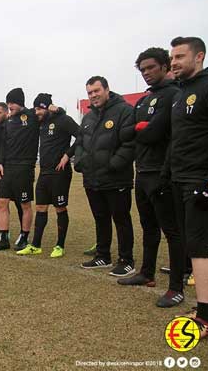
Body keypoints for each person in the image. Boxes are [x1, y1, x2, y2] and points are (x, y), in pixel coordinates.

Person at [116, 47, 186, 308]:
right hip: (142, 171)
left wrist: (141, 130)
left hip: (162, 172)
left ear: (165, 66)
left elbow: (155, 132)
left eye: (151, 68)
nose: (146, 73)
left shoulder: (173, 94)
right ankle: (146, 273)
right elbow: (127, 133)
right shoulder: (145, 99)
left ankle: (176, 287)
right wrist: (139, 129)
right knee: (148, 227)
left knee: (172, 231)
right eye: (142, 69)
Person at [167, 36, 208, 337]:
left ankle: (205, 321)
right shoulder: (180, 93)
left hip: (201, 181)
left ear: (199, 56)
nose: (174, 62)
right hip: (180, 180)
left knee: (199, 247)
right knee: (192, 245)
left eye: (180, 57)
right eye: (172, 57)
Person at [74, 76, 136, 277]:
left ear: (107, 89)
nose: (93, 96)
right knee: (100, 218)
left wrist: (113, 165)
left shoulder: (124, 111)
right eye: (89, 93)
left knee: (121, 219)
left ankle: (127, 260)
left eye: (96, 91)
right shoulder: (88, 117)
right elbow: (81, 143)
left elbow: (129, 144)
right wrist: (81, 162)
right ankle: (103, 255)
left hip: (116, 178)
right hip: (92, 178)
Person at [16, 94, 80, 257]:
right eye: (35, 108)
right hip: (44, 172)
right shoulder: (41, 122)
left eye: (39, 109)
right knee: (40, 208)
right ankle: (36, 245)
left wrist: (68, 155)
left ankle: (60, 245)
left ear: (47, 107)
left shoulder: (63, 119)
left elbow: (81, 135)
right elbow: (26, 113)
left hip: (60, 172)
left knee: (60, 207)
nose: (36, 112)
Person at [0, 89, 41, 252]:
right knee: (1, 202)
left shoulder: (32, 116)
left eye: (12, 103)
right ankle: (4, 237)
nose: (10, 106)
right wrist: (0, 162)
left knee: (25, 204)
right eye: (8, 103)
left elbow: (48, 111)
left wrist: (57, 108)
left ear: (19, 102)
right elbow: (3, 145)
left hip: (24, 167)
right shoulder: (8, 122)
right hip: (7, 167)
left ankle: (24, 236)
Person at [0, 102, 24, 247]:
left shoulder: (14, 125)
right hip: (1, 170)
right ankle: (5, 234)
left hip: (16, 168)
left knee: (20, 203)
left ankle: (24, 234)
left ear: (6, 112)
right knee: (2, 203)